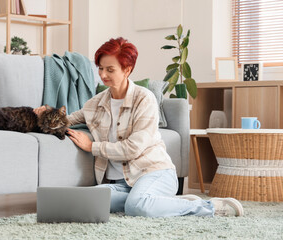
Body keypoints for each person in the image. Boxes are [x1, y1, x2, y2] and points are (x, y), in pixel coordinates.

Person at [35, 37, 244, 217]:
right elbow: (67, 120)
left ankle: (209, 207)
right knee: (88, 201)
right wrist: (43, 114)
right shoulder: (95, 103)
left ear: (127, 69)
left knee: (137, 206)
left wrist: (93, 147)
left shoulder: (144, 99)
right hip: (121, 183)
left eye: (110, 69)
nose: (103, 75)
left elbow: (133, 148)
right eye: (100, 68)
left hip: (153, 173)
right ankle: (160, 201)